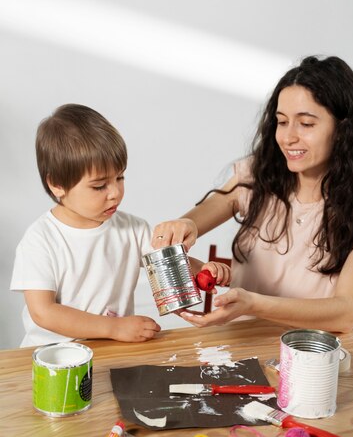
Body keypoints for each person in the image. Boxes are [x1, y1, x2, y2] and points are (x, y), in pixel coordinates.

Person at [151, 56, 353, 333]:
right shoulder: (257, 175)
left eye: (306, 124)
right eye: (282, 121)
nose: (288, 138)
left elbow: (345, 313)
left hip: (310, 356)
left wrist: (253, 304)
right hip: (238, 346)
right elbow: (216, 204)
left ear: (343, 129)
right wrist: (186, 225)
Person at [10, 104, 229, 348]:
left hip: (112, 349)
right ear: (57, 184)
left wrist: (202, 271)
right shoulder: (40, 240)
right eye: (99, 186)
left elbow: (166, 260)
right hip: (52, 358)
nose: (115, 193)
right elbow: (44, 312)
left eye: (120, 178)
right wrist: (114, 327)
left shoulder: (132, 229)